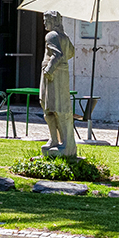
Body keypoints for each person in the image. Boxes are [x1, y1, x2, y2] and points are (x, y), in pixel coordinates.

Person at [39, 10, 77, 158]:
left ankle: (57, 140)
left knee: (50, 106)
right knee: (54, 107)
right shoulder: (64, 37)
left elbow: (57, 54)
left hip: (52, 75)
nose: (44, 23)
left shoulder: (51, 35)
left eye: (46, 20)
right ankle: (55, 140)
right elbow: (71, 53)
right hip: (62, 74)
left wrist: (49, 69)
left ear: (53, 21)